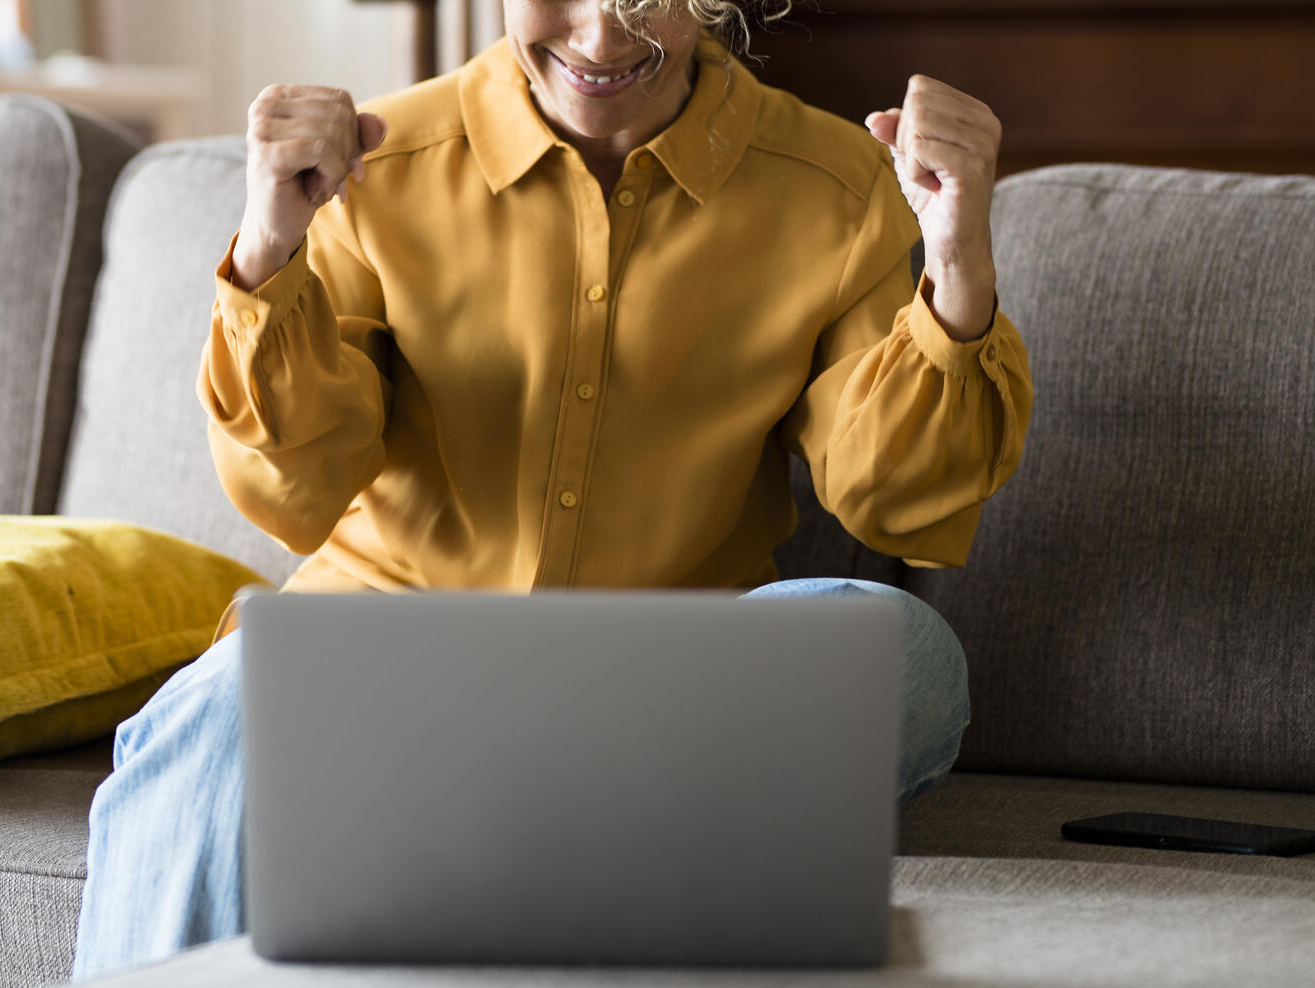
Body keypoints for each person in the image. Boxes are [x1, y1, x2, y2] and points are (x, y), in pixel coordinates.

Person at [71, 0, 1032, 979]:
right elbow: (296, 491)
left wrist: (955, 266)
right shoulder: (372, 166)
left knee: (903, 652)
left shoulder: (835, 187)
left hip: (659, 696)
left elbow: (896, 498)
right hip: (382, 668)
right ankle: (551, 845)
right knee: (228, 707)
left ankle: (499, 832)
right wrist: (269, 249)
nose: (600, 38)